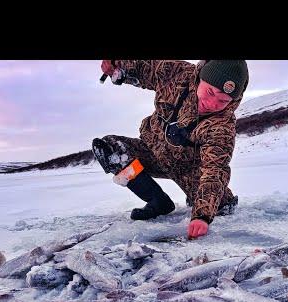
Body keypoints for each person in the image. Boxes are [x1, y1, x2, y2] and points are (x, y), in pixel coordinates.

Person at [92, 60, 249, 240]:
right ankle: (157, 201)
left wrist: (202, 216)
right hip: (152, 152)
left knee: (221, 208)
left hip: (189, 171)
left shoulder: (223, 127)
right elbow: (145, 67)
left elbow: (215, 169)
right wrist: (117, 66)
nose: (212, 103)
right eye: (210, 92)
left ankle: (211, 204)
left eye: (223, 100)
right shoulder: (178, 73)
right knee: (112, 151)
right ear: (200, 78)